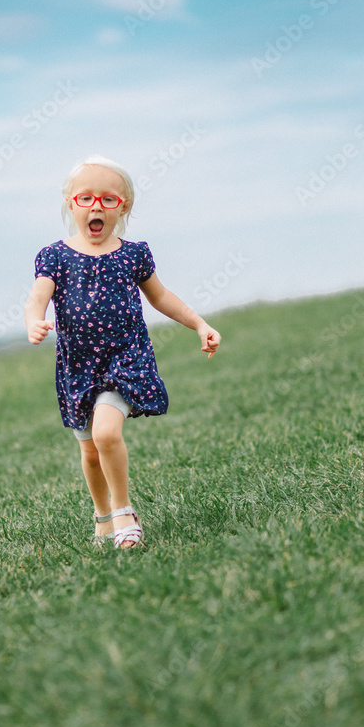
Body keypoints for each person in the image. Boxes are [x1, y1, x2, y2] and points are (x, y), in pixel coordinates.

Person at [24, 154, 221, 549]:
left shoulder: (133, 254)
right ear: (71, 204)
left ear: (123, 206)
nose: (96, 206)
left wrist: (200, 323)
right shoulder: (55, 256)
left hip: (125, 358)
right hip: (78, 367)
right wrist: (34, 320)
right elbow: (37, 297)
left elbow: (161, 297)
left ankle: (124, 512)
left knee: (106, 432)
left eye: (108, 200)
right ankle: (102, 517)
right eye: (86, 198)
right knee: (91, 452)